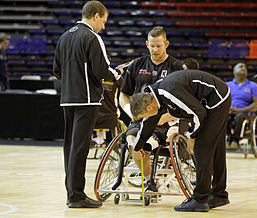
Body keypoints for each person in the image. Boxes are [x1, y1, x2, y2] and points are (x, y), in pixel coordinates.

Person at [130, 69, 231, 212]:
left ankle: (200, 199)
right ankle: (219, 194)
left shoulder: (169, 92)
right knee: (217, 148)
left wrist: (192, 136)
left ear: (148, 107)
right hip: (214, 97)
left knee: (202, 149)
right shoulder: (153, 97)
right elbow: (148, 124)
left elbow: (198, 113)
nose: (143, 118)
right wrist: (137, 147)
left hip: (216, 100)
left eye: (142, 115)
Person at [53, 1, 122, 208]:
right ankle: (76, 196)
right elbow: (102, 70)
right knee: (80, 147)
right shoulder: (92, 37)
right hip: (86, 99)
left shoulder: (64, 37)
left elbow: (56, 70)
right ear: (96, 15)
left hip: (67, 99)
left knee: (70, 147)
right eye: (104, 21)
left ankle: (72, 193)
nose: (104, 26)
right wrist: (117, 74)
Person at [119, 26, 186, 187]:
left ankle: (150, 179)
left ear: (166, 44)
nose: (155, 49)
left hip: (165, 121)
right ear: (147, 44)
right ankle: (150, 181)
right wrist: (129, 110)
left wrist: (166, 118)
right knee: (132, 143)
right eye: (152, 45)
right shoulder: (137, 64)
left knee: (147, 144)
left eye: (159, 46)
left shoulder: (177, 67)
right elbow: (123, 95)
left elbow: (184, 102)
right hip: (139, 120)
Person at [226, 63, 257, 149]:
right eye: (240, 67)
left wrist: (240, 110)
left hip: (246, 113)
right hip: (230, 111)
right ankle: (228, 138)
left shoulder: (253, 86)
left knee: (240, 116)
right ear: (234, 71)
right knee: (222, 116)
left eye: (245, 67)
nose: (243, 68)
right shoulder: (227, 85)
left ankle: (235, 140)